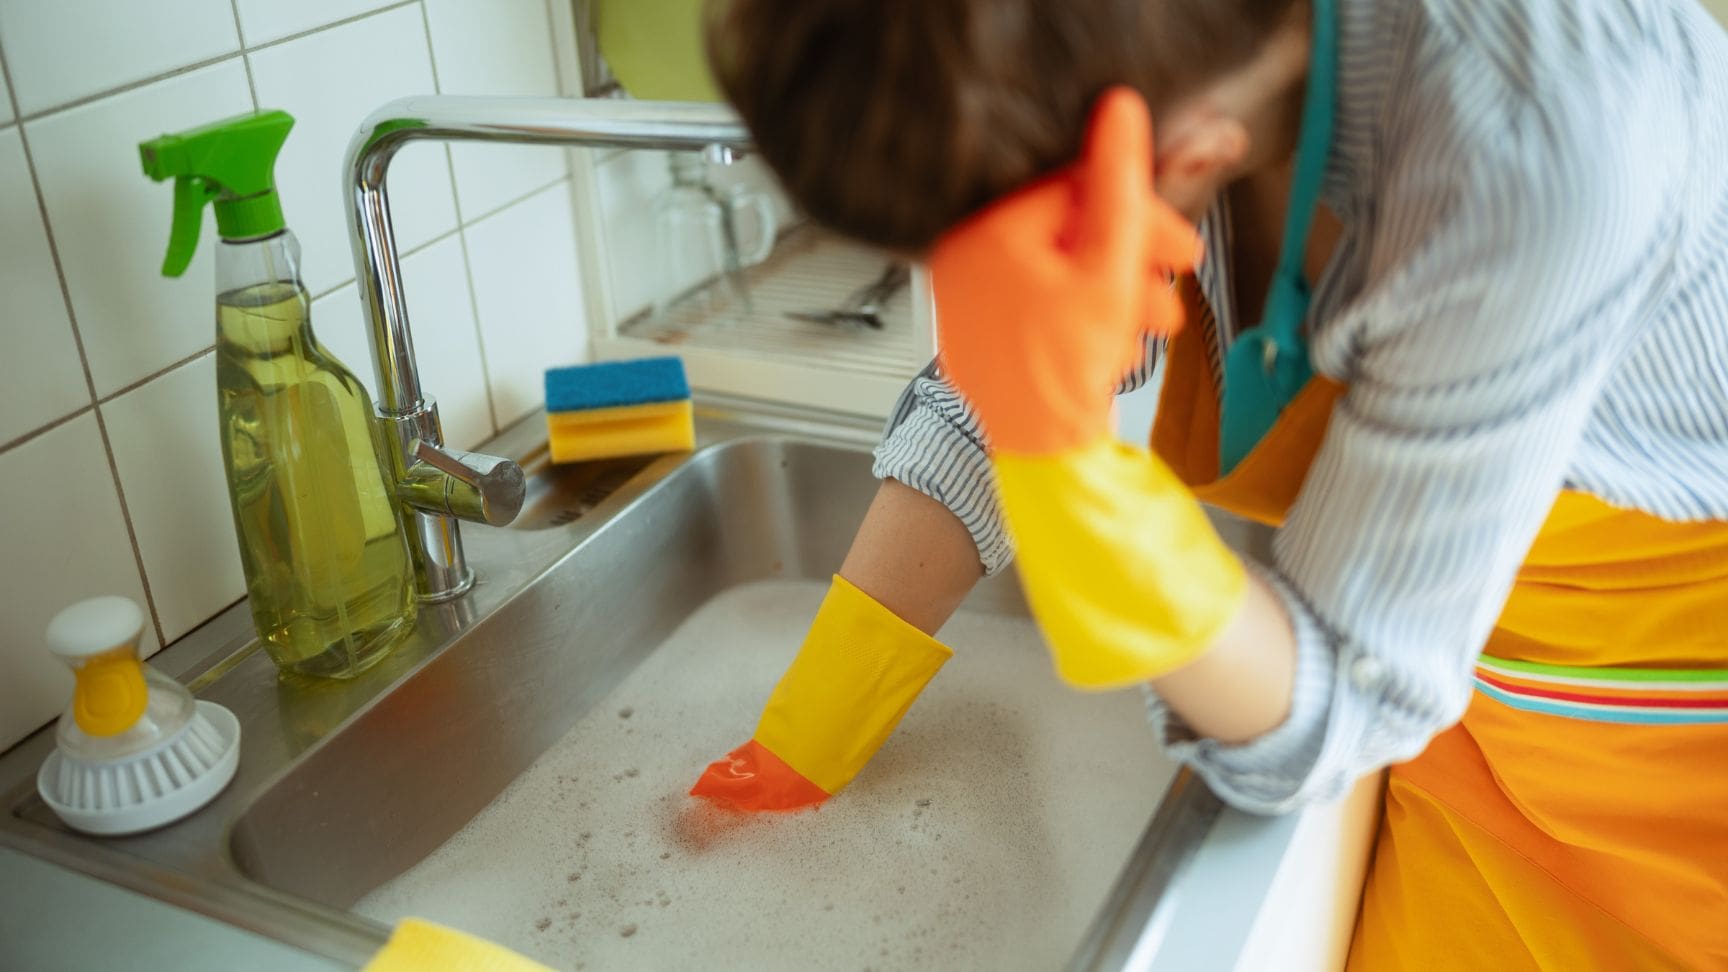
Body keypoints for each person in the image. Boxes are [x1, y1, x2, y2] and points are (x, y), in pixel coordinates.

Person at [688, 0, 1728, 967]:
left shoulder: (1529, 149)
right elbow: (1011, 353)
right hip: (1438, 683)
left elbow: (1345, 699)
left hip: (1660, 747)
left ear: (1186, 155)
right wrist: (812, 729)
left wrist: (1066, 471)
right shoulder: (1161, 50)